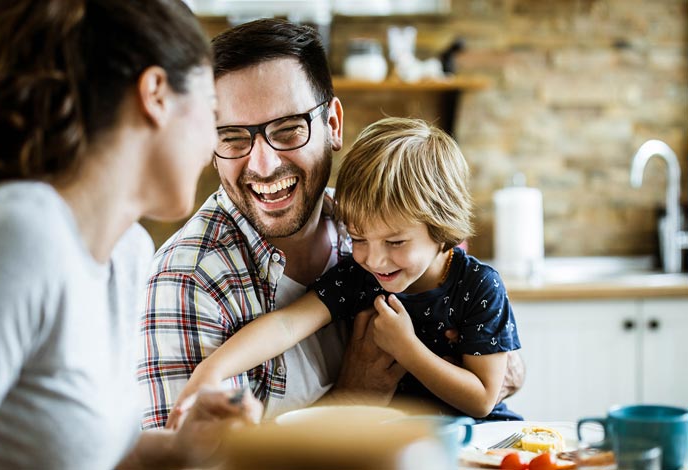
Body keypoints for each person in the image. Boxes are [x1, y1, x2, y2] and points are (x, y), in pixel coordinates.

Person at [139, 18, 525, 429]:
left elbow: (491, 384)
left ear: (333, 125)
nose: (264, 165)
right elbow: (198, 459)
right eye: (232, 137)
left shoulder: (367, 222)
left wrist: (483, 357)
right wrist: (357, 398)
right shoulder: (188, 281)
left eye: (288, 130)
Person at [0, 1, 261, 469]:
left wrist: (180, 449)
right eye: (212, 108)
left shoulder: (126, 254)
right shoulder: (18, 240)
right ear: (156, 94)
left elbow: (82, 453)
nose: (213, 140)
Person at [174, 117, 523, 421]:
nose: (374, 260)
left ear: (443, 229)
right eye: (358, 238)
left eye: (396, 242)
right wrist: (212, 370)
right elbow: (286, 324)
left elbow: (481, 400)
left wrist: (406, 348)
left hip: (478, 441)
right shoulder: (359, 278)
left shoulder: (478, 285)